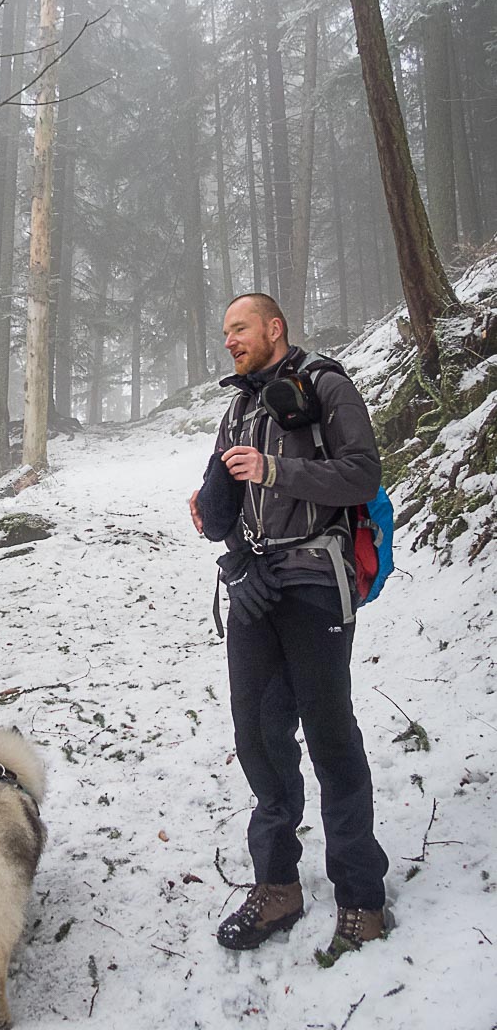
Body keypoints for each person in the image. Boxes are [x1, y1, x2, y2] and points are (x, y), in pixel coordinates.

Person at [189, 294, 389, 963]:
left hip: (316, 581)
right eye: (224, 333)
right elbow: (223, 512)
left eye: (239, 329)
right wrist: (211, 514)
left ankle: (361, 897)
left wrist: (277, 469)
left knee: (331, 735)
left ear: (274, 328)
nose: (229, 341)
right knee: (259, 736)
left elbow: (364, 473)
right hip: (257, 587)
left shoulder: (328, 385)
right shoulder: (237, 406)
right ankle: (277, 885)